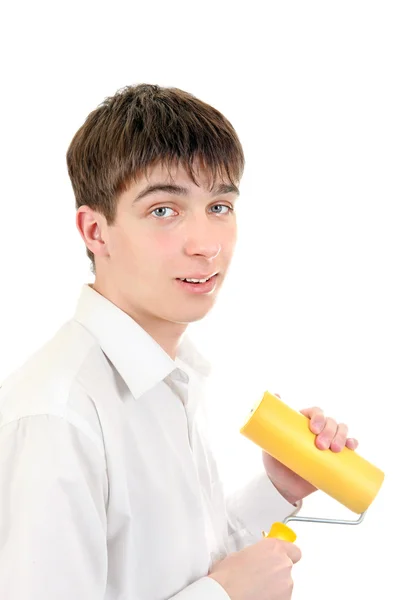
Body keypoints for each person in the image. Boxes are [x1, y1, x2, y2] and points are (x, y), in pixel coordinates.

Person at [0, 83, 359, 600]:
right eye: (164, 210)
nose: (206, 245)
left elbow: (177, 566)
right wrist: (225, 596)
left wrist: (279, 490)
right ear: (96, 231)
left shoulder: (169, 374)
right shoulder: (56, 416)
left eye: (219, 206)